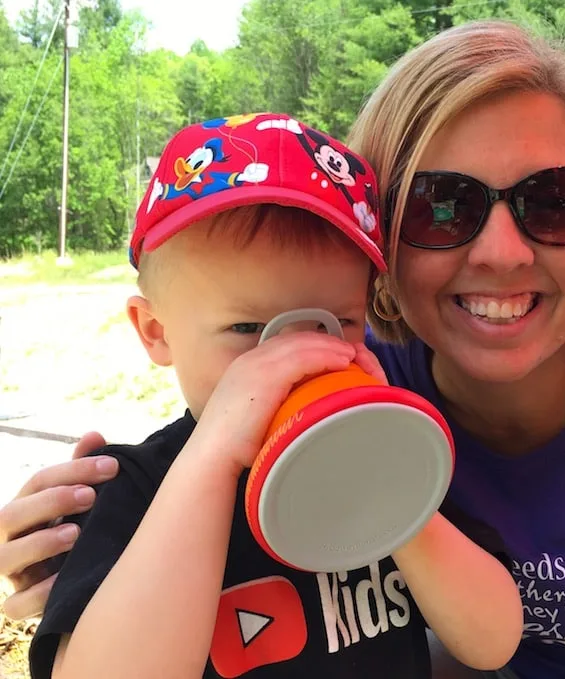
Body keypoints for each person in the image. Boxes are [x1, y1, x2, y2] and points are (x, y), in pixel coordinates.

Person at [3, 19, 565, 679]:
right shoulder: (378, 379)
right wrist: (94, 537)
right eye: (443, 206)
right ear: (384, 256)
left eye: (555, 200)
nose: (501, 251)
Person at [18, 112, 522, 679]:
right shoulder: (134, 489)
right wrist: (211, 458)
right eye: (248, 330)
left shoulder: (389, 462)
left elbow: (493, 641)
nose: (294, 358)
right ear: (156, 332)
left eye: (336, 322)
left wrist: (394, 494)